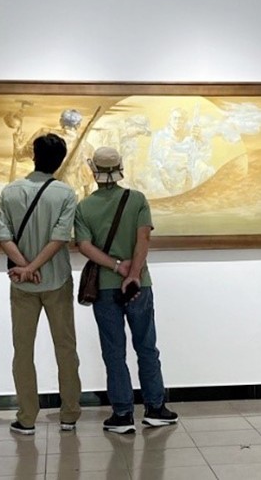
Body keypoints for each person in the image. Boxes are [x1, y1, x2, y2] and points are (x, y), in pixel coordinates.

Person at [74, 146, 178, 434]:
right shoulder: (137, 199)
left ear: (94, 171)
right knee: (147, 347)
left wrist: (117, 267)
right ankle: (155, 408)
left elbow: (84, 246)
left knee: (114, 351)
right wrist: (132, 274)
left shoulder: (84, 207)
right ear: (120, 168)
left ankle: (122, 414)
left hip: (104, 287)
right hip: (139, 285)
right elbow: (143, 238)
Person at [0, 133, 82, 434]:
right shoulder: (66, 194)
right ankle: (69, 414)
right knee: (66, 348)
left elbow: (2, 235)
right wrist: (32, 268)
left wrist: (24, 268)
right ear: (60, 161)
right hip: (57, 280)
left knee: (23, 351)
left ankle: (27, 417)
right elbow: (60, 237)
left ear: (34, 156)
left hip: (22, 285)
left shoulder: (10, 191)